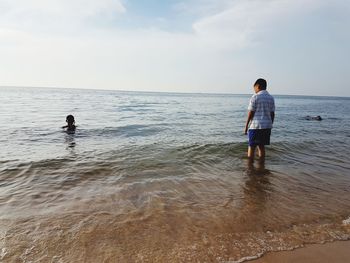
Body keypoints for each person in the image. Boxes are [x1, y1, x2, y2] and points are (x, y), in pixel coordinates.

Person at [244, 79, 275, 160]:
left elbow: (251, 112)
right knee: (261, 146)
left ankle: (250, 166)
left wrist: (246, 126)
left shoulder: (255, 97)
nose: (254, 90)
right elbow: (272, 113)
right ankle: (261, 165)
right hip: (267, 126)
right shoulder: (271, 98)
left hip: (256, 126)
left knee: (251, 146)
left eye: (254, 88)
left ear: (258, 86)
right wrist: (270, 124)